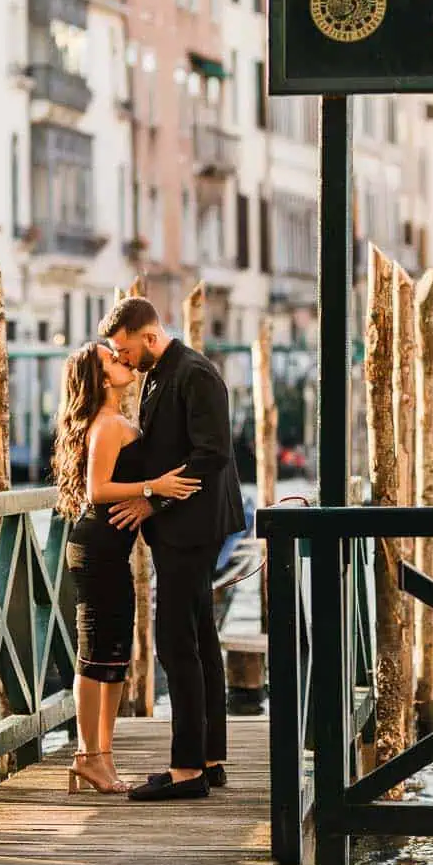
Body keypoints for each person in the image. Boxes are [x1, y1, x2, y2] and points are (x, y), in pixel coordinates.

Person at [101, 295, 246, 802]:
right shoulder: (163, 372)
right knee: (202, 638)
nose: (121, 358)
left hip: (193, 528)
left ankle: (187, 771)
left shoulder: (195, 374)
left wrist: (150, 502)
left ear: (149, 335)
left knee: (175, 643)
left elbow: (213, 454)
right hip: (184, 527)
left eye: (124, 349)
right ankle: (210, 758)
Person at [52, 340, 198, 795]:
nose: (121, 360)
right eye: (110, 360)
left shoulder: (114, 421)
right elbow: (97, 490)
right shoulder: (108, 424)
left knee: (113, 654)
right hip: (96, 548)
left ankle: (101, 758)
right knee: (94, 655)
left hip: (109, 549)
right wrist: (155, 486)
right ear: (99, 378)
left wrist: (148, 494)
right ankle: (86, 755)